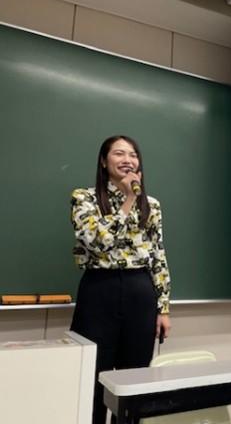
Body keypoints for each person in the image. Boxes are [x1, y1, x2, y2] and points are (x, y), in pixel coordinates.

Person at [69, 135, 172, 424]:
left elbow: (158, 255)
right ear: (104, 161)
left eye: (133, 154)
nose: (128, 160)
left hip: (141, 292)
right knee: (92, 378)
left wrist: (163, 307)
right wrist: (129, 200)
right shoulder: (84, 198)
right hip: (99, 290)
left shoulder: (152, 205)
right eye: (119, 153)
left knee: (134, 381)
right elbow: (96, 241)